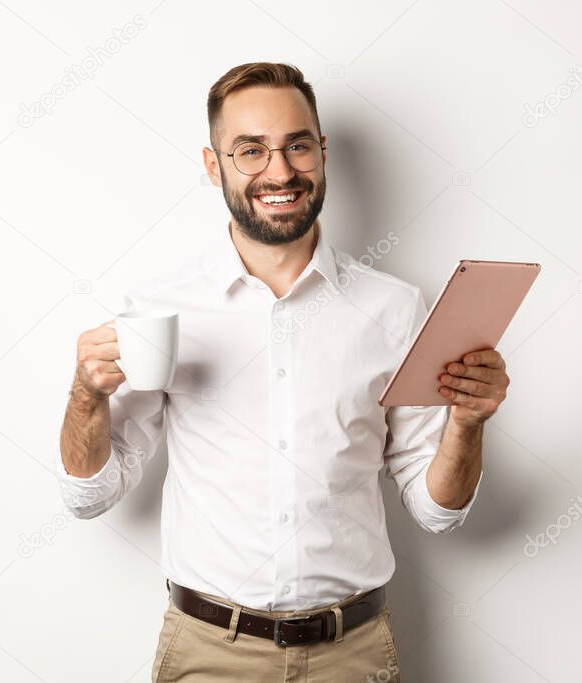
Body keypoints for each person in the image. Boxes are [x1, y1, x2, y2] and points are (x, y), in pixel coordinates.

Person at [58, 62, 510, 682]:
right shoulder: (159, 312)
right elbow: (89, 495)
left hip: (351, 655)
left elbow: (438, 512)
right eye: (251, 150)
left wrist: (467, 421)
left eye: (297, 145)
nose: (280, 171)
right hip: (208, 654)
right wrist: (85, 396)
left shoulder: (397, 309)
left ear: (321, 153)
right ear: (215, 166)